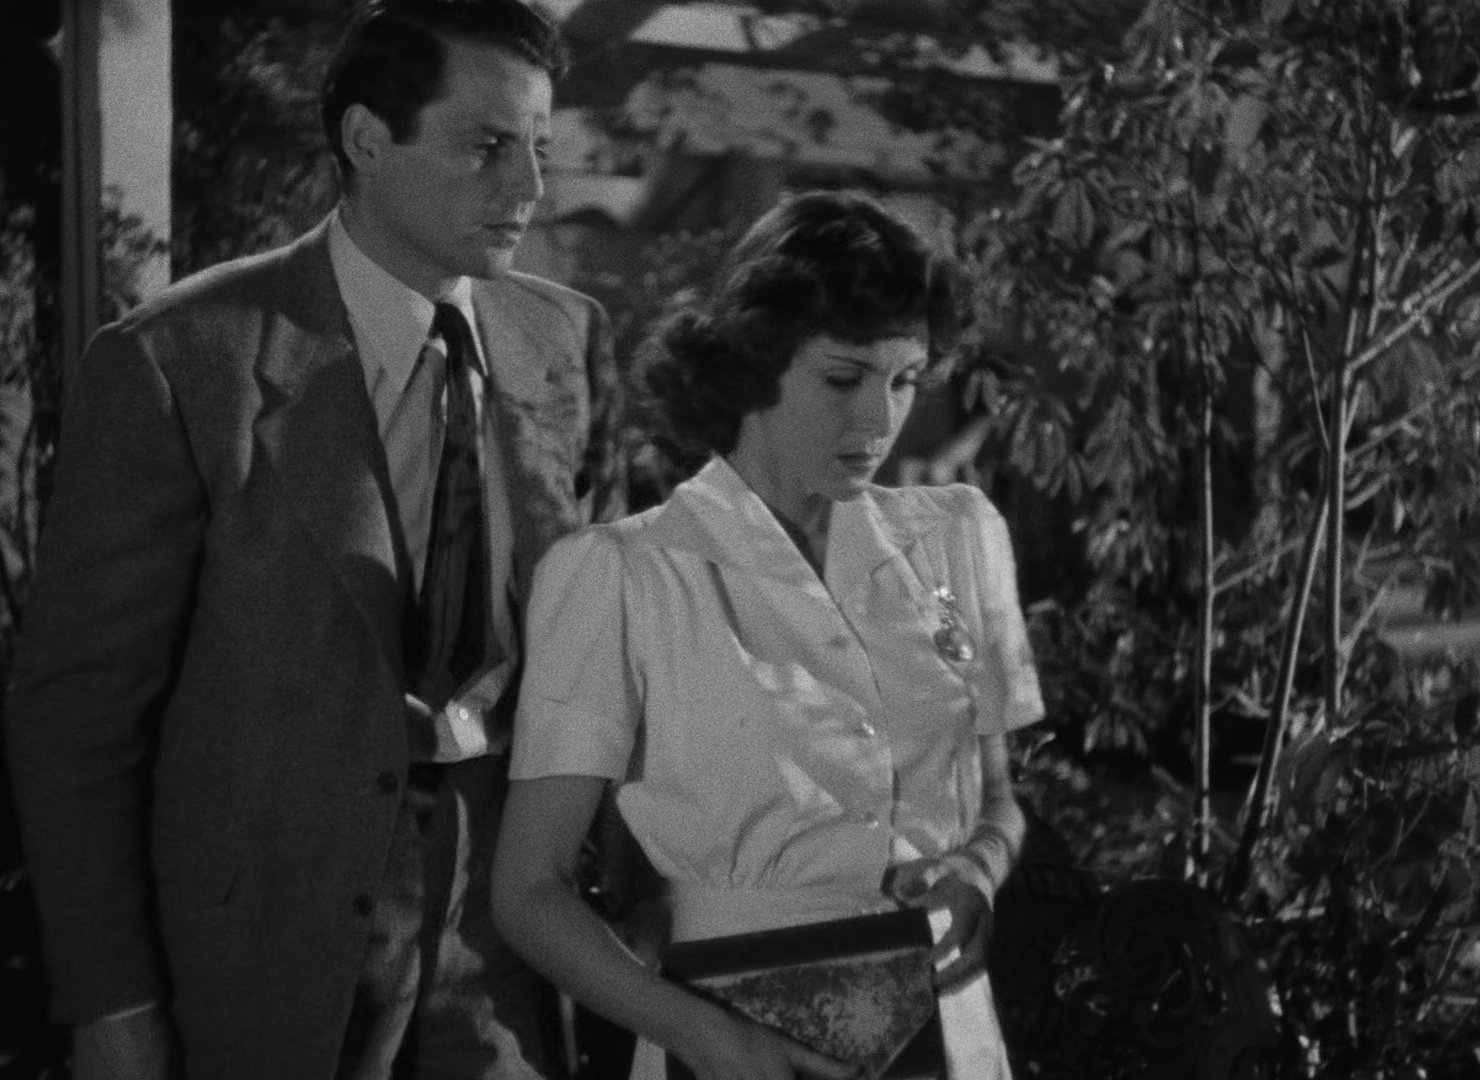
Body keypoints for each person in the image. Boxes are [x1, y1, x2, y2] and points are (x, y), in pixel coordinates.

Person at [4, 1, 623, 1077]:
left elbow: (603, 647)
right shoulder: (183, 360)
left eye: (539, 147)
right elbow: (79, 717)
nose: (528, 186)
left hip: (511, 940)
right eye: (487, 146)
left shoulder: (565, 340)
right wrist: (110, 1003)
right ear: (367, 140)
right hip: (271, 951)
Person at [491, 189, 1044, 1080]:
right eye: (843, 379)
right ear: (752, 361)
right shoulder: (622, 576)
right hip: (731, 1037)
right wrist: (710, 1040)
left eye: (905, 380)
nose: (880, 421)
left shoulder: (957, 536)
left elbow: (999, 798)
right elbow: (529, 892)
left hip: (947, 1031)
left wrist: (979, 867)